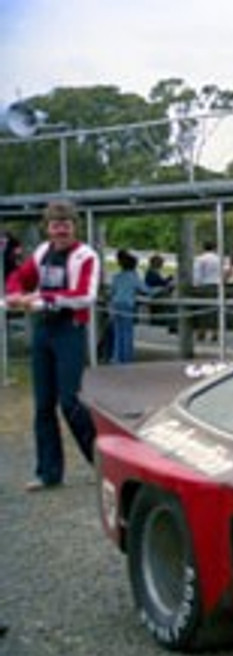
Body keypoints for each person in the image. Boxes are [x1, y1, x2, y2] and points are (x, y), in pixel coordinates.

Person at [3, 200, 99, 491]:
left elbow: (85, 295)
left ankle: (104, 465)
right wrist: (15, 293)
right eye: (55, 226)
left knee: (71, 402)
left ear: (74, 227)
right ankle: (48, 473)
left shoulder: (86, 256)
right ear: (48, 228)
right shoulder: (43, 251)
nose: (60, 231)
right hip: (44, 330)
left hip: (69, 329)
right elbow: (20, 277)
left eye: (65, 225)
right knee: (43, 405)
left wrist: (43, 298)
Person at [108, 249, 164, 364]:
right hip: (127, 305)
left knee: (118, 333)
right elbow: (146, 290)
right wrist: (160, 289)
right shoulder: (133, 277)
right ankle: (127, 358)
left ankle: (117, 357)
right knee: (127, 332)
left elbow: (111, 292)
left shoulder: (116, 277)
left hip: (115, 305)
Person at [192, 240, 221, 341]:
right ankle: (215, 332)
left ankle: (201, 331)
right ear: (214, 248)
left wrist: (196, 285)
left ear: (204, 248)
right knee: (215, 309)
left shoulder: (200, 259)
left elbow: (197, 275)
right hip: (217, 286)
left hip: (204, 287)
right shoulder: (218, 259)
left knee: (202, 309)